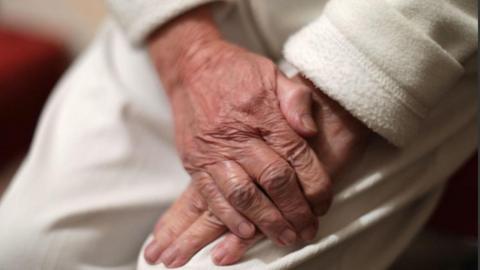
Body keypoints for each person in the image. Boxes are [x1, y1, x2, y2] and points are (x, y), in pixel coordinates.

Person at [0, 0, 476, 269]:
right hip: (187, 16)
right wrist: (187, 51)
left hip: (390, 26)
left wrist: (352, 83)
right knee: (27, 251)